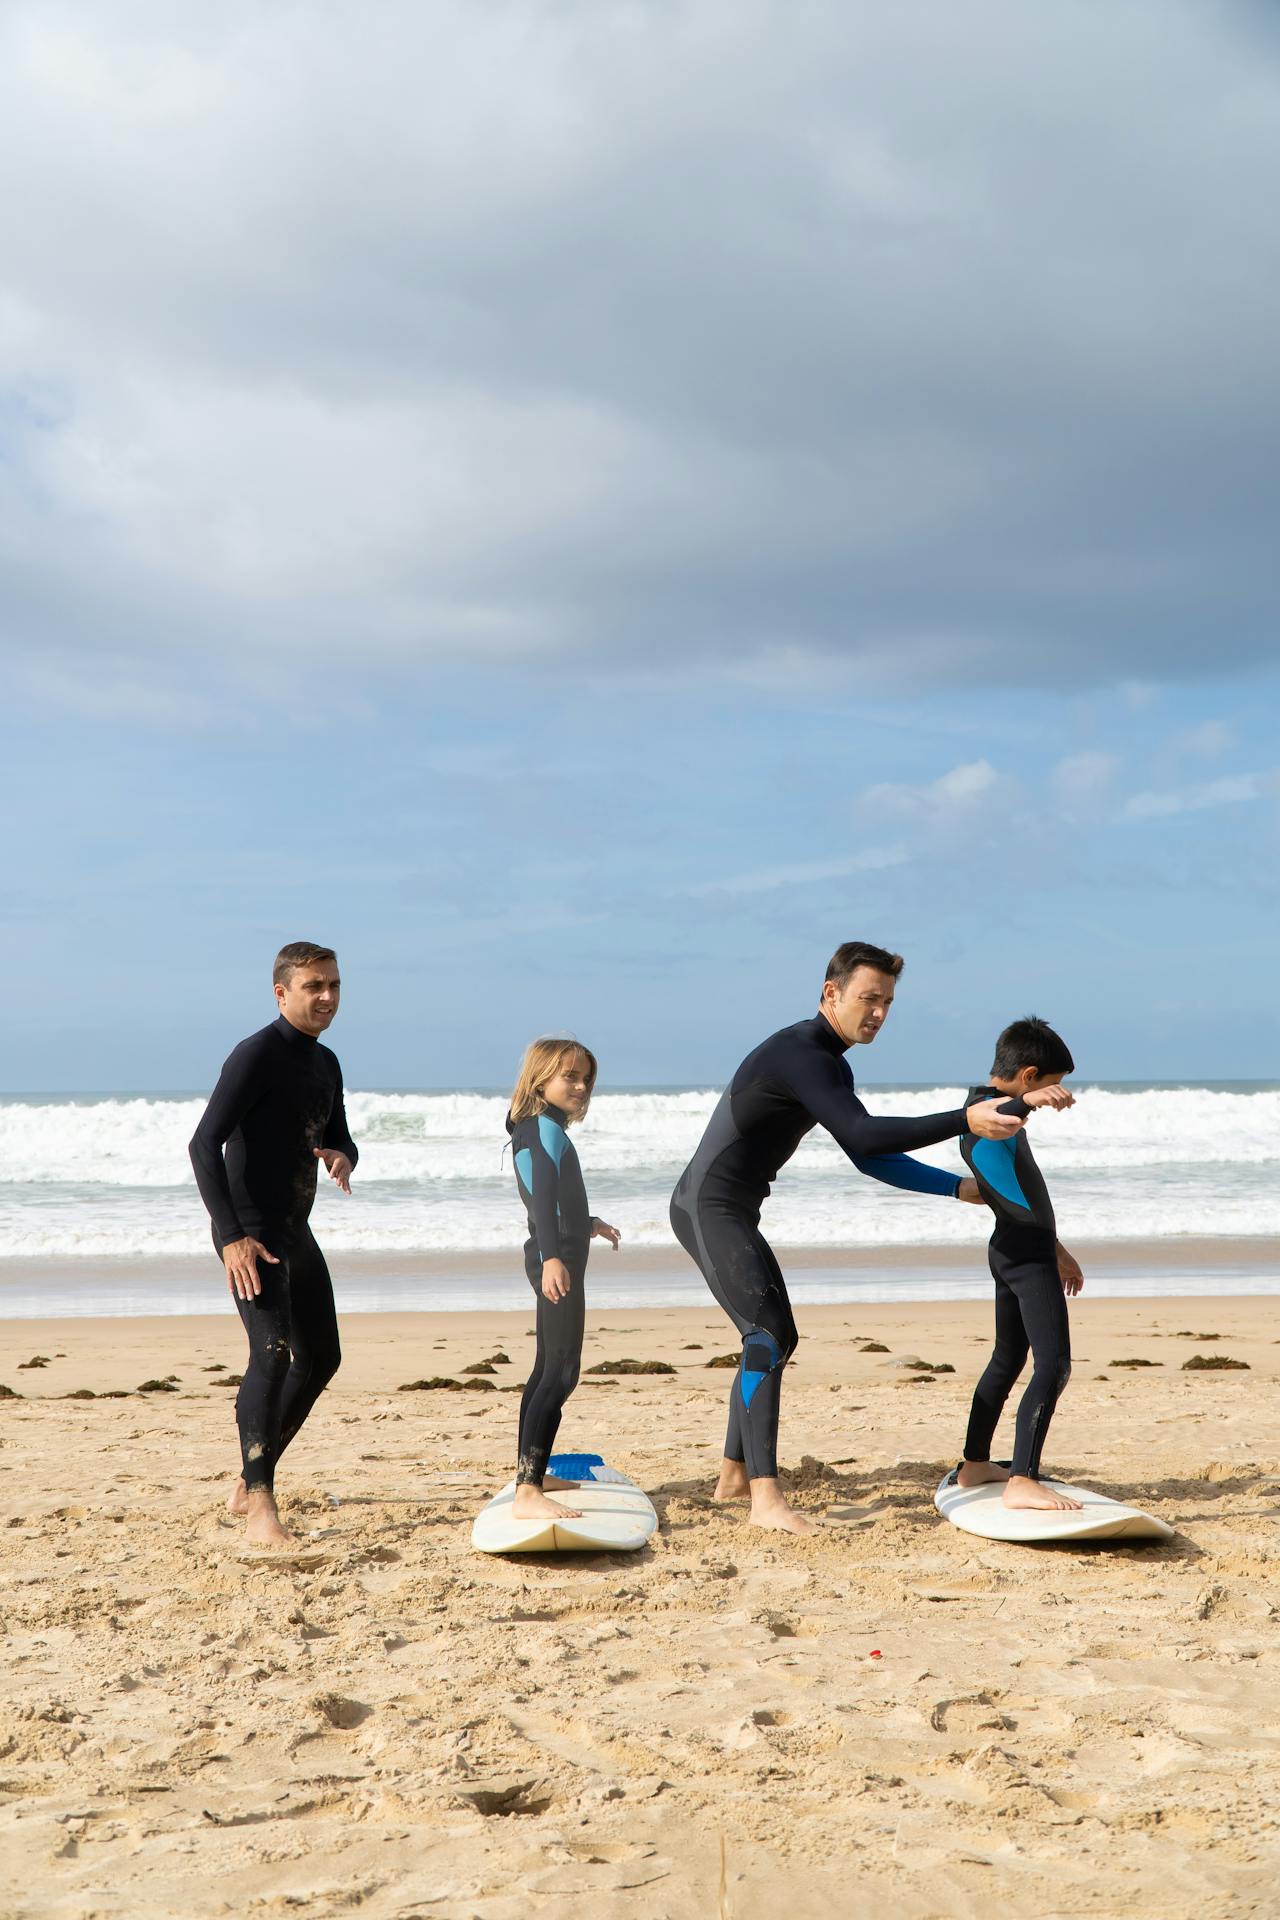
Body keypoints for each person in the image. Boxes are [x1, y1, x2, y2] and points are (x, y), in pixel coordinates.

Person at [670, 941, 1025, 1536]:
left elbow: (866, 1153)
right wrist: (963, 1119)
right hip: (707, 1207)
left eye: (888, 1001)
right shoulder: (800, 1054)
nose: (880, 1013)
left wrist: (957, 1190)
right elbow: (865, 1130)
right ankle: (765, 1500)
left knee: (772, 1338)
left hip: (728, 1209)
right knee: (769, 1335)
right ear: (830, 992)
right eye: (868, 998)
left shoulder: (829, 1062)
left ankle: (734, 1476)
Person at [189, 942, 357, 1548]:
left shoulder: (326, 1063)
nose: (328, 997)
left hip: (295, 1227)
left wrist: (344, 1156)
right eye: (314, 986)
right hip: (252, 1232)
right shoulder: (255, 1056)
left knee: (324, 1357)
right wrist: (231, 1238)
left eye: (335, 985)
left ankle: (248, 1476)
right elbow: (202, 1145)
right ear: (281, 992)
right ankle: (261, 1508)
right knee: (274, 1352)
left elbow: (339, 1135)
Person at [955, 1016, 1084, 1511]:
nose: (1059, 1094)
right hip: (1021, 1255)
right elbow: (994, 1116)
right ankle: (1022, 1480)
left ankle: (975, 1465)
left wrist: (1059, 1250)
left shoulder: (998, 1113)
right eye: (1053, 1084)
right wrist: (1028, 1100)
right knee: (1053, 1366)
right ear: (1029, 1076)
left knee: (1008, 1359)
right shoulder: (985, 1115)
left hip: (1019, 1245)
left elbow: (1019, 1195)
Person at [506, 1038, 620, 1522]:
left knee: (547, 1368)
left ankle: (530, 1473)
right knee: (560, 1371)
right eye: (569, 1076)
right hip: (559, 1262)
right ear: (540, 1079)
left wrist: (588, 1221)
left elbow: (557, 1196)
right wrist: (553, 1257)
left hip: (564, 1254)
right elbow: (540, 1200)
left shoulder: (543, 1128)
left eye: (585, 1078)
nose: (579, 1085)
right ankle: (528, 1490)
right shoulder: (539, 1129)